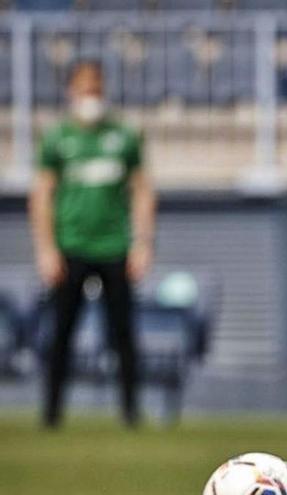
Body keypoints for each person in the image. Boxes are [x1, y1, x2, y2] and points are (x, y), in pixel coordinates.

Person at [29, 60, 156, 428]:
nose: (91, 95)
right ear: (71, 91)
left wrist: (143, 244)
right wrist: (46, 249)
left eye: (96, 88)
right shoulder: (57, 139)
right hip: (71, 247)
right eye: (84, 88)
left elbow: (142, 191)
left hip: (115, 247)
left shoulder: (124, 136)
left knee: (124, 335)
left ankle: (131, 413)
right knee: (61, 334)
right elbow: (41, 196)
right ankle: (51, 414)